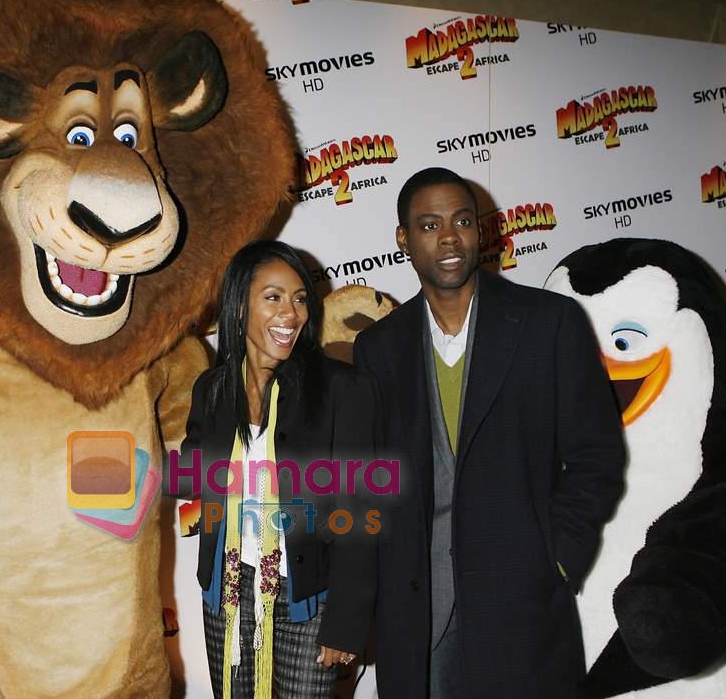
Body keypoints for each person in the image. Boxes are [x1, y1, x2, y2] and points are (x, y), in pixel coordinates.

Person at [353, 167, 626, 699]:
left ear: (481, 231)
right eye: (429, 225)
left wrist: (558, 556)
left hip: (521, 602)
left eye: (462, 221)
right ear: (403, 240)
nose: (449, 238)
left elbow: (598, 456)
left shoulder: (549, 322)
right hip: (416, 614)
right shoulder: (378, 348)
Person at [168, 240, 378, 698]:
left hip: (310, 597)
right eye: (274, 297)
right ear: (239, 305)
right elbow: (194, 477)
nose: (291, 313)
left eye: (300, 298)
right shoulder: (214, 389)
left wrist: (346, 621)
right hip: (226, 591)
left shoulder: (342, 389)